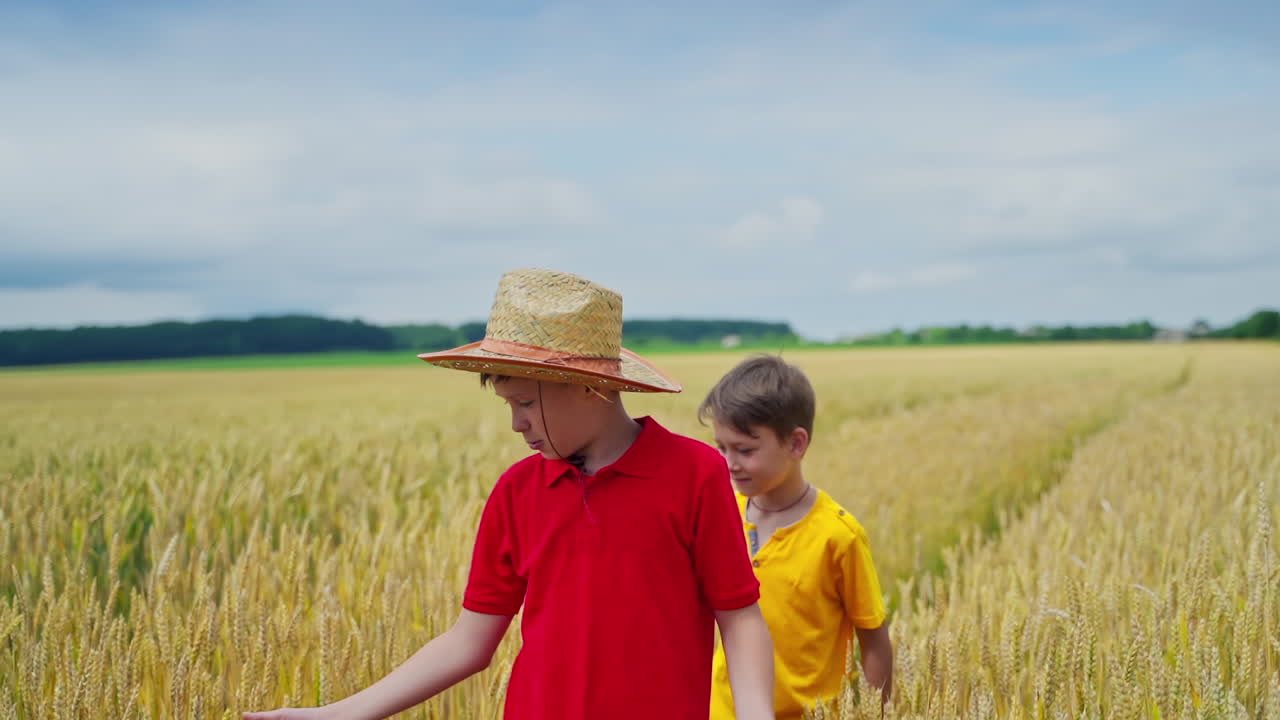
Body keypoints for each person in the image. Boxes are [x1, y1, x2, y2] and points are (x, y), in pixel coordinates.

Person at [244, 268, 775, 720]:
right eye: (508, 406)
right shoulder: (518, 491)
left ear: (589, 388)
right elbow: (470, 642)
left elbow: (739, 613)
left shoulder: (692, 472)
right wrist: (341, 712)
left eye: (524, 403)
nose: (517, 425)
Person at [701, 355, 893, 719]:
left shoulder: (838, 536)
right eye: (721, 447)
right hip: (725, 711)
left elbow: (874, 637)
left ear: (796, 444)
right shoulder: (723, 513)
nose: (728, 462)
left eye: (744, 450)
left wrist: (876, 712)